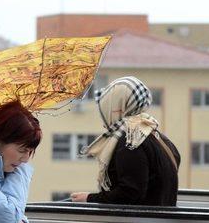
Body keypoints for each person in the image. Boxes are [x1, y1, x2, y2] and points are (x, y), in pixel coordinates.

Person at [70, 76, 180, 206]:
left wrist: (89, 198)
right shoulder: (156, 136)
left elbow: (130, 193)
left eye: (106, 107)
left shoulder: (131, 142)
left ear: (116, 106)